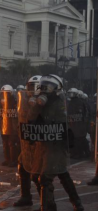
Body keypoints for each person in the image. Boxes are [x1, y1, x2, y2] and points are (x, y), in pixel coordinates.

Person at [30, 75, 84, 211]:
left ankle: (50, 207)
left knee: (46, 177)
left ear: (56, 89)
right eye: (43, 86)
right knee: (41, 175)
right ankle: (70, 203)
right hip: (42, 145)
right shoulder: (41, 103)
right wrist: (34, 105)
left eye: (48, 87)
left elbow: (60, 122)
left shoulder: (59, 103)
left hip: (56, 145)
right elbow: (30, 119)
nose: (44, 90)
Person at [14, 75, 41, 207]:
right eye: (30, 87)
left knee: (38, 174)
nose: (31, 90)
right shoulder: (25, 100)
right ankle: (25, 197)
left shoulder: (44, 102)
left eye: (35, 87)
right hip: (26, 142)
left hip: (39, 143)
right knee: (23, 167)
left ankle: (45, 202)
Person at [67, 88, 90, 159]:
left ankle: (84, 153)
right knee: (74, 139)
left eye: (72, 93)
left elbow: (86, 113)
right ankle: (76, 153)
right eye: (70, 93)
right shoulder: (69, 102)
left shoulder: (81, 102)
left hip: (80, 124)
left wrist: (85, 123)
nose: (71, 95)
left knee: (81, 139)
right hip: (73, 124)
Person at [0, 85, 19, 167]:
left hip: (13, 126)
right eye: (3, 93)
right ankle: (7, 159)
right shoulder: (1, 102)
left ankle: (14, 160)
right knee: (5, 143)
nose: (5, 95)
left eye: (6, 93)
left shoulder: (15, 102)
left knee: (12, 144)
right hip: (5, 126)